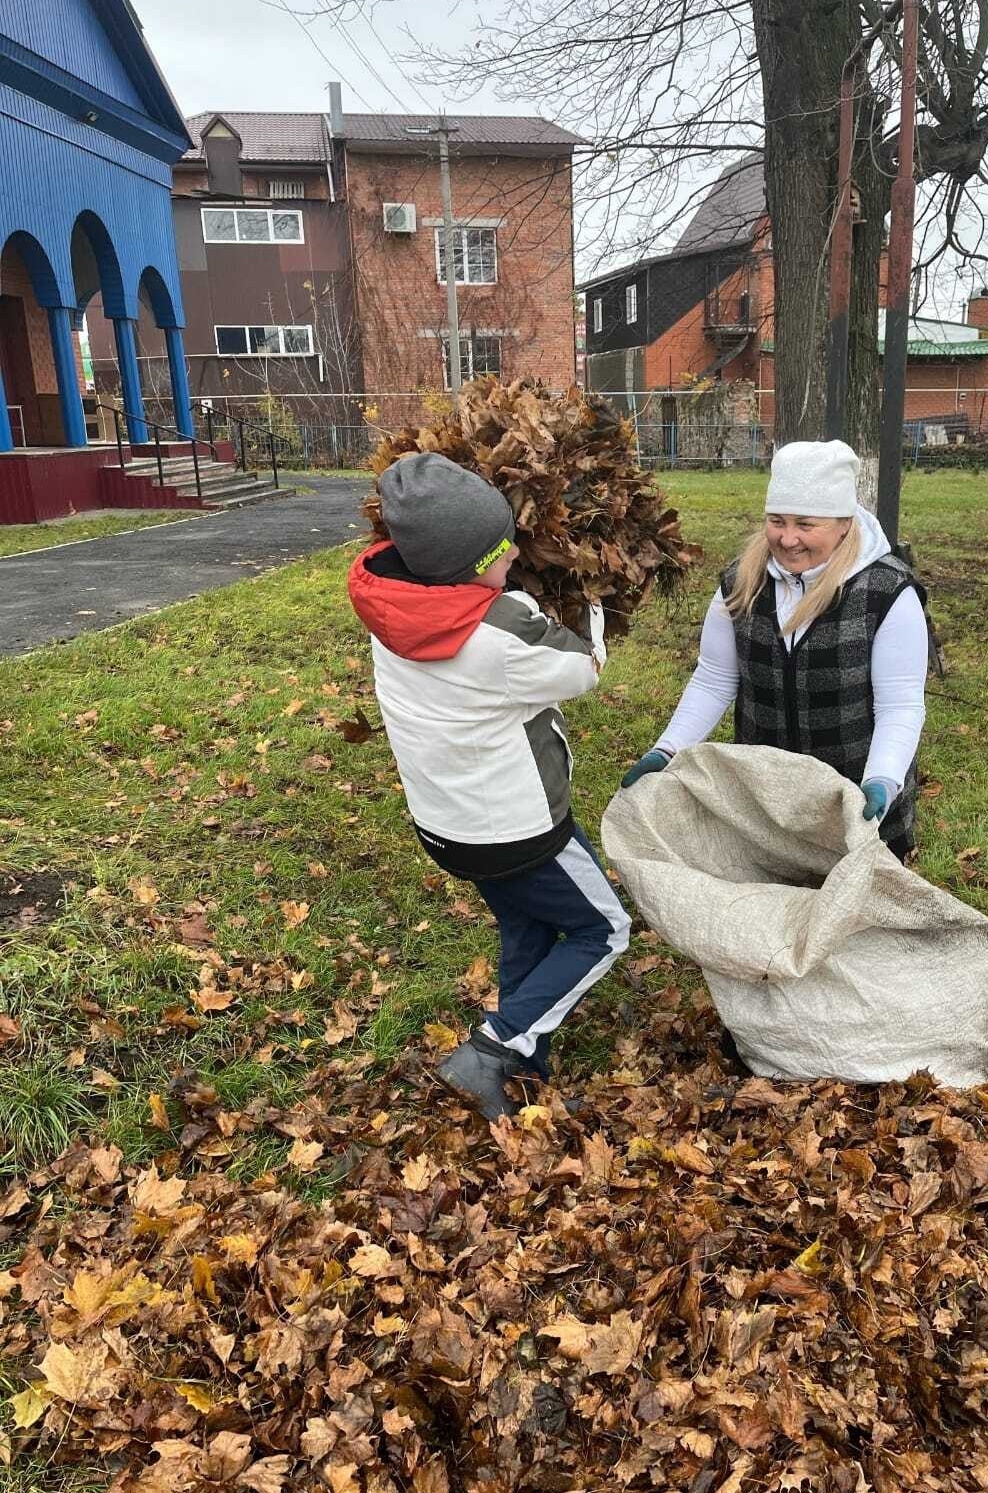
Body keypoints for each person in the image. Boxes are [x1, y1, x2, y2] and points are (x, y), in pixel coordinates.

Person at [348, 452, 629, 1120]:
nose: (514, 559)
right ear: (473, 567)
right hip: (520, 830)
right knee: (605, 931)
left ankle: (523, 1069)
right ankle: (493, 1049)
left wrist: (507, 593)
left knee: (526, 924)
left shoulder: (391, 608)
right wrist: (588, 605)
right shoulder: (498, 635)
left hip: (450, 830)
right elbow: (582, 668)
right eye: (504, 551)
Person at [622, 439, 928, 859]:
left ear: (843, 522)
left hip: (856, 802)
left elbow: (900, 706)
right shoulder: (740, 583)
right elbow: (714, 680)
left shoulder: (885, 592)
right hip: (768, 799)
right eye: (777, 521)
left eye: (805, 524)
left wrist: (882, 779)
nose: (788, 539)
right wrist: (667, 749)